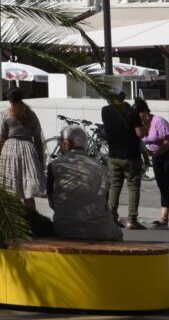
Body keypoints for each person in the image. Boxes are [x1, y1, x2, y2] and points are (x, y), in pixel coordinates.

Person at [48, 125, 121, 242]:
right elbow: (104, 201)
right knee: (118, 234)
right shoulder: (101, 167)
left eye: (60, 141)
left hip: (65, 228)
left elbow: (51, 201)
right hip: (100, 229)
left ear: (67, 144)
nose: (59, 145)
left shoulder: (54, 165)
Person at [0, 88, 46, 208]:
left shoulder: (5, 114)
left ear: (9, 100)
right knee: (28, 194)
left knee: (11, 190)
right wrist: (41, 161)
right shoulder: (31, 114)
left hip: (10, 151)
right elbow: (38, 139)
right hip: (29, 151)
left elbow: (0, 138)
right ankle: (33, 219)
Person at [101, 90, 146, 231]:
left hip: (113, 154)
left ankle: (112, 217)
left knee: (115, 185)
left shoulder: (105, 111)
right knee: (133, 186)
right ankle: (132, 219)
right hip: (130, 155)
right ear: (123, 97)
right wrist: (144, 127)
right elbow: (139, 133)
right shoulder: (131, 112)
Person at [138, 99, 169, 228]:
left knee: (167, 185)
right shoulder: (141, 124)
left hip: (166, 156)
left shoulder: (158, 121)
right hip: (156, 158)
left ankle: (163, 218)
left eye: (138, 113)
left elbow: (167, 141)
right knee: (162, 186)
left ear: (145, 111)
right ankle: (164, 218)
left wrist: (157, 153)